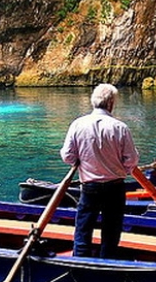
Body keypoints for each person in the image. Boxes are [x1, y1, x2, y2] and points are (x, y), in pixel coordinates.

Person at [60, 84, 139, 258]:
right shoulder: (120, 127)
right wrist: (122, 169)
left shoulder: (77, 125)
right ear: (111, 103)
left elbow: (67, 156)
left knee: (83, 228)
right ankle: (106, 263)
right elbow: (132, 160)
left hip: (90, 186)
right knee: (111, 231)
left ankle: (80, 263)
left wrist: (81, 162)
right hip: (115, 186)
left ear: (93, 102)